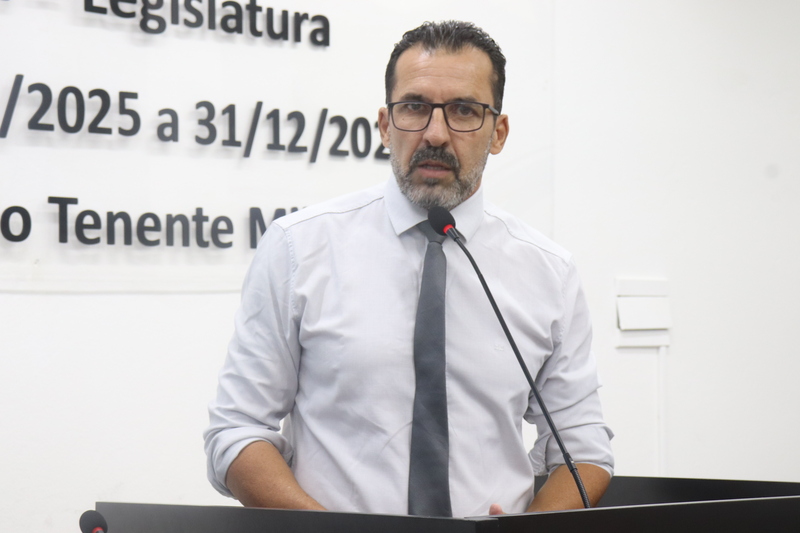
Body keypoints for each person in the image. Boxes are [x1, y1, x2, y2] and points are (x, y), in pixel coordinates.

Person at [204, 20, 613, 517]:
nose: (435, 134)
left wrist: (531, 528)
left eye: (464, 110)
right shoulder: (298, 248)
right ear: (385, 125)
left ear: (498, 133)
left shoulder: (549, 272)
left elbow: (583, 450)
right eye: (415, 107)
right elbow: (237, 431)